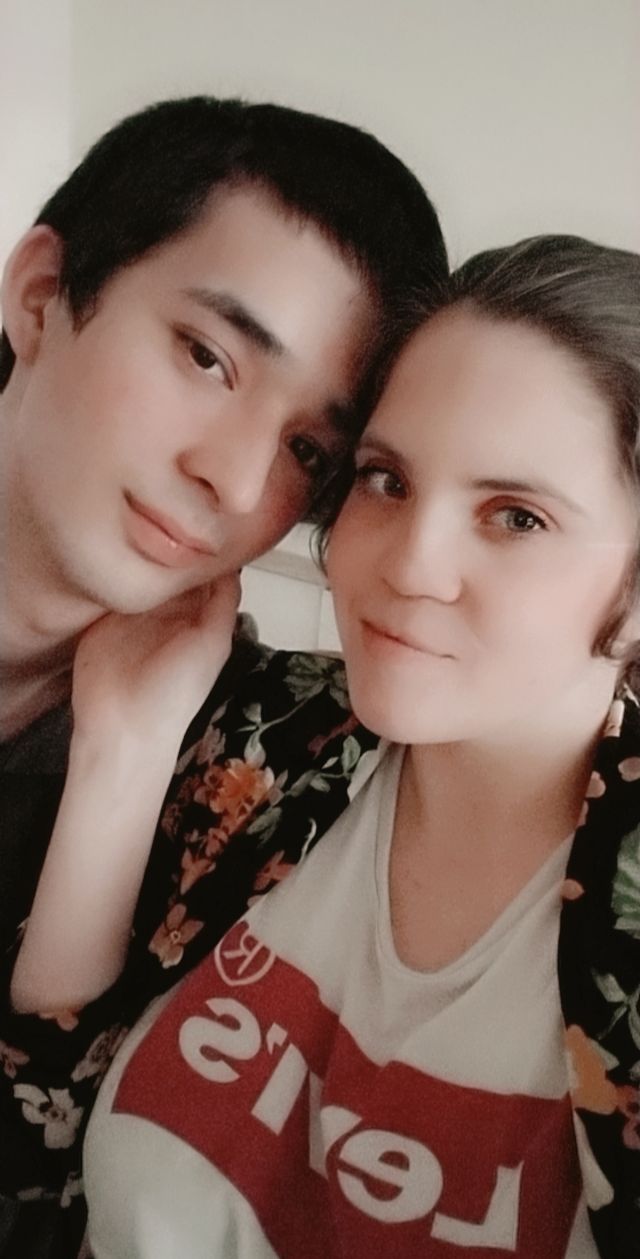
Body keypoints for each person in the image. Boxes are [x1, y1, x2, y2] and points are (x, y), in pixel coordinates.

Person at [77, 235, 640, 1258]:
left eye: (516, 517)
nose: (408, 564)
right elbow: (39, 1131)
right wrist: (121, 755)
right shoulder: (265, 735)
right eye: (386, 479)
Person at [0, 93, 447, 1256]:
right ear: (41, 296)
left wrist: (121, 762)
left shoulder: (261, 763)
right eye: (207, 356)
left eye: (308, 449)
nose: (239, 482)